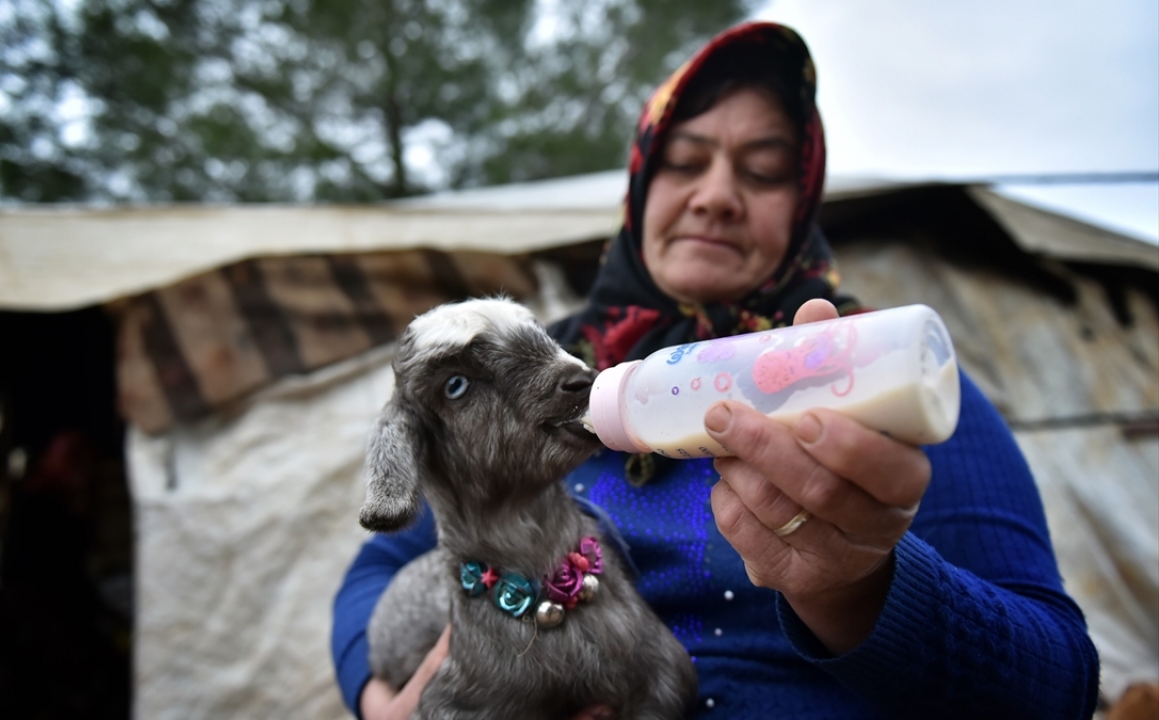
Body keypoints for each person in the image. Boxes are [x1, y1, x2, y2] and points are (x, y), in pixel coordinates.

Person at [331, 22, 1099, 719]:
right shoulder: (529, 375)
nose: (717, 196)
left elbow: (1058, 685)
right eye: (684, 161)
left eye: (763, 172)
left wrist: (864, 587)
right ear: (638, 186)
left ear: (803, 205)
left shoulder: (877, 378)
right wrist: (384, 701)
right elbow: (380, 571)